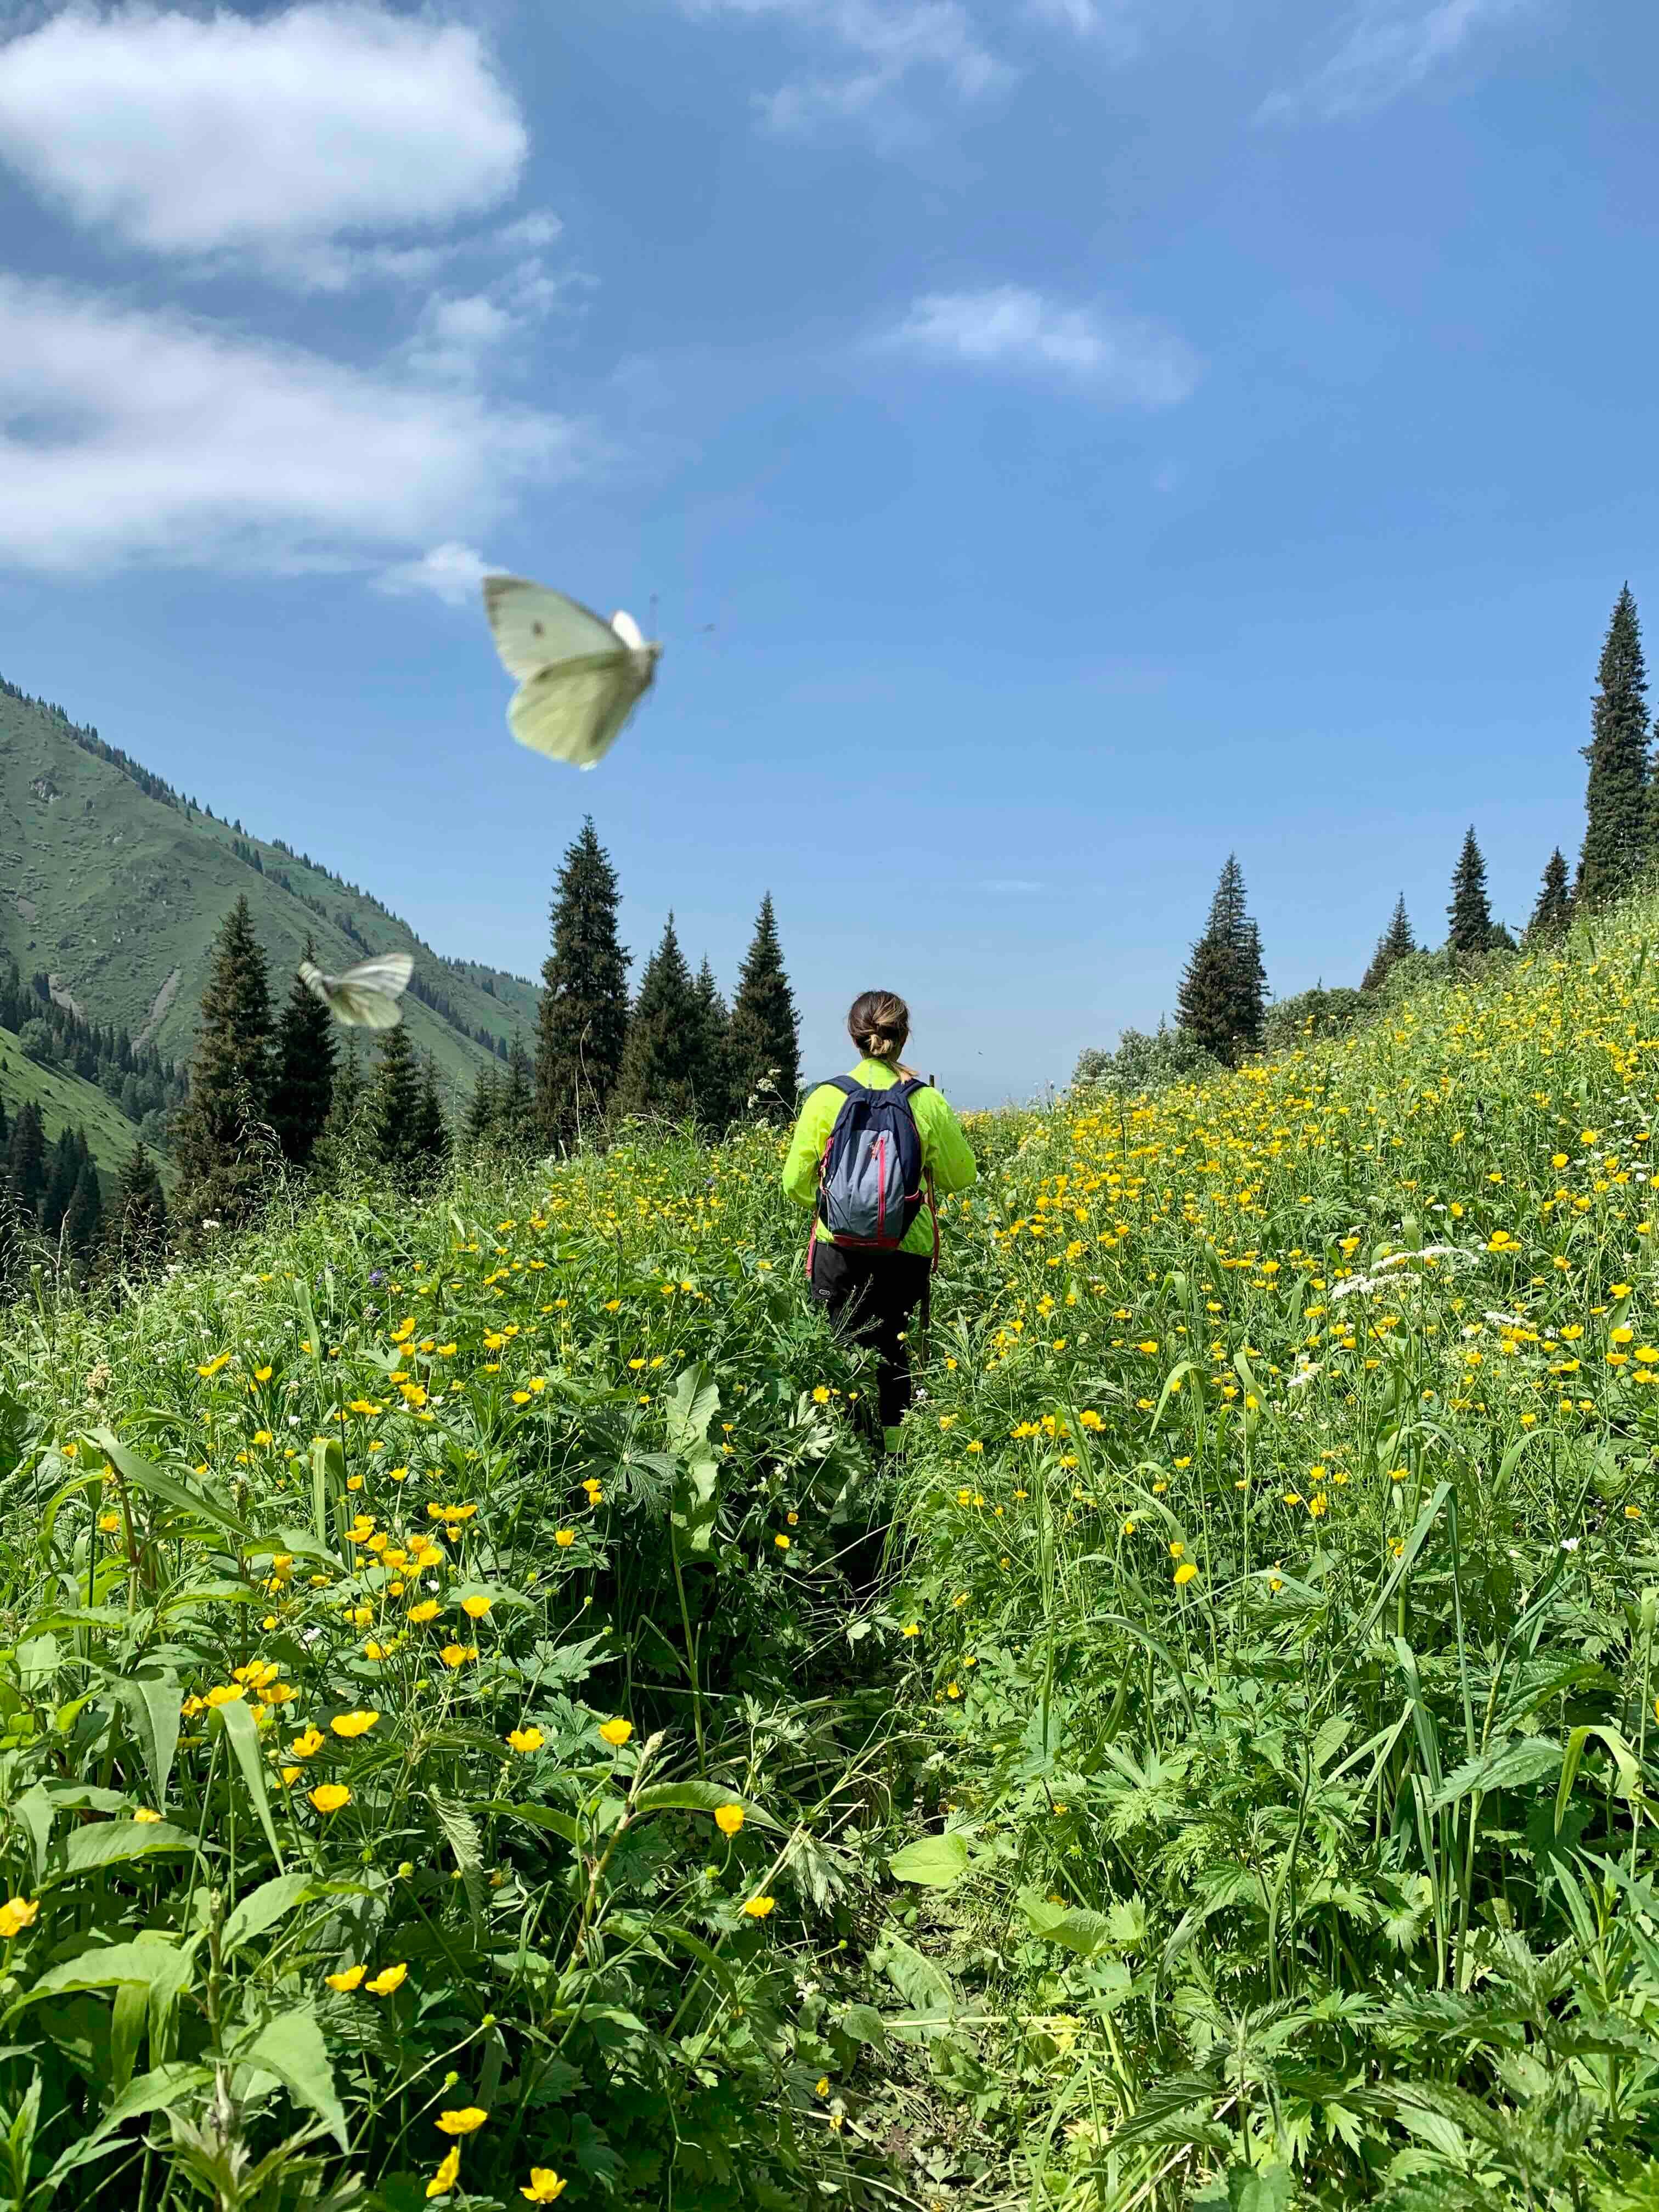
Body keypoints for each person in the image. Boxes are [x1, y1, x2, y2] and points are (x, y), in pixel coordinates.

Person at [782, 991, 977, 1451]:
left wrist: (842, 1205)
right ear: (903, 1037)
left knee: (840, 1352)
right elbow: (960, 1176)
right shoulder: (924, 1100)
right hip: (906, 1247)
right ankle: (896, 1460)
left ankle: (847, 1450)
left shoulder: (825, 1098)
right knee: (896, 1355)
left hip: (838, 1249)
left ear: (855, 1036)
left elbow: (794, 1184)